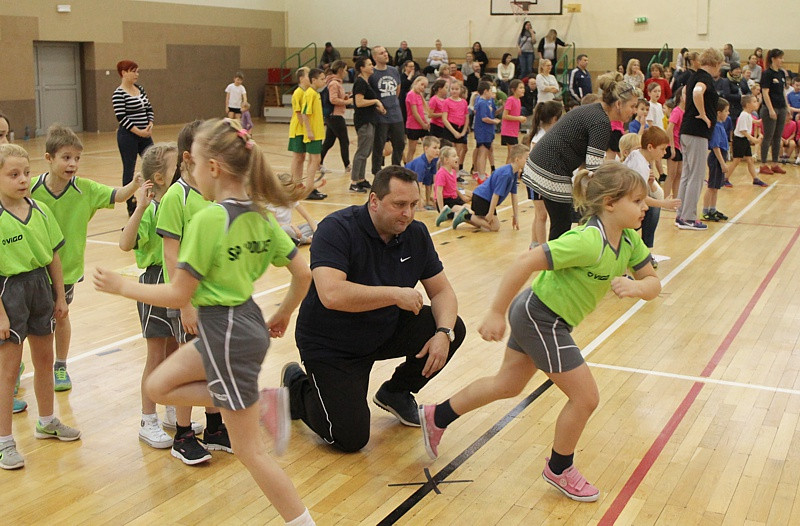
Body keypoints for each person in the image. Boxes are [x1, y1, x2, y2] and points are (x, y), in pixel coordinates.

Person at [93, 119, 316, 526]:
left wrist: (122, 287)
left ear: (212, 167)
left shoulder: (210, 220)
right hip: (241, 325)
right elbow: (303, 275)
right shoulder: (262, 217)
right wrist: (283, 312)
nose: (190, 170)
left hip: (226, 331)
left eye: (192, 163)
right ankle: (259, 402)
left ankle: (302, 521)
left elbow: (179, 293)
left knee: (251, 453)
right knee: (157, 385)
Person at [419, 162, 660, 503]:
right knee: (586, 397)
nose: (645, 207)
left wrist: (637, 288)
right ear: (609, 203)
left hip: (541, 314)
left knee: (508, 384)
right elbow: (524, 261)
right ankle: (560, 468)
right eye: (638, 201)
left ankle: (436, 415)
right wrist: (495, 312)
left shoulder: (631, 241)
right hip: (541, 316)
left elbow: (653, 282)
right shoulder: (587, 241)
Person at [284, 165, 466, 453]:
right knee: (349, 439)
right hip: (332, 345)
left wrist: (444, 332)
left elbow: (442, 291)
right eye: (399, 205)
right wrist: (394, 295)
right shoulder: (336, 229)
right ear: (373, 201)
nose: (408, 213)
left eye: (413, 205)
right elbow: (331, 293)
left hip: (382, 330)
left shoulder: (415, 234)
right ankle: (296, 387)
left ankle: (395, 392)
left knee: (451, 326)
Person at [30, 124, 141, 392]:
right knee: (25, 321)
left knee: (61, 315)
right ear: (49, 158)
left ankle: (60, 365)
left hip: (65, 270)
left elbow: (118, 195)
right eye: (66, 158)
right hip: (32, 269)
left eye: (77, 158)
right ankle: (18, 365)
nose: (73, 164)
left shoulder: (85, 189)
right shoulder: (31, 189)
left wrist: (135, 184)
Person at [0, 143, 81, 471]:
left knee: (45, 360)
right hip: (8, 292)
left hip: (40, 289)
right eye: (13, 174)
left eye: (26, 173)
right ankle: (4, 441)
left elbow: (54, 258)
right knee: (8, 371)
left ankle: (47, 420)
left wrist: (59, 297)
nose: (22, 180)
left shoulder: (40, 210)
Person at [156, 120, 224, 464]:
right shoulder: (176, 196)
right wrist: (184, 305)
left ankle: (213, 426)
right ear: (189, 157)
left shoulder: (215, 193)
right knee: (189, 366)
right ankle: (183, 434)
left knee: (213, 363)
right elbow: (171, 254)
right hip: (191, 301)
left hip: (216, 298)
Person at [523, 72, 638, 240]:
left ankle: (557, 260)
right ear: (619, 104)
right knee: (562, 224)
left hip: (541, 165)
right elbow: (594, 170)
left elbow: (588, 165)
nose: (634, 111)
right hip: (550, 170)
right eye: (633, 106)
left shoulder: (594, 112)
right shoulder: (601, 122)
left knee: (562, 221)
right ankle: (554, 263)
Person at [118, 142, 180, 449]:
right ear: (158, 176)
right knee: (156, 355)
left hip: (177, 280)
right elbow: (125, 244)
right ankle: (147, 420)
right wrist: (139, 206)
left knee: (174, 352)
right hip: (156, 281)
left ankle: (171, 410)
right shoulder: (151, 209)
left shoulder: (180, 201)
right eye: (176, 166)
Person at [675, 48, 723, 231]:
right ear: (716, 63)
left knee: (687, 174)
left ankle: (681, 213)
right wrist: (703, 115)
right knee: (696, 176)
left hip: (687, 131)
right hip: (696, 132)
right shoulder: (704, 78)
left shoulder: (693, 76)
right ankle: (688, 217)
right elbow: (696, 93)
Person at [620, 130, 681, 256]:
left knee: (653, 207)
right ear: (650, 147)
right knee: (653, 209)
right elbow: (638, 197)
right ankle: (644, 252)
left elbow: (656, 194)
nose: (665, 153)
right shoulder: (640, 165)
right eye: (662, 149)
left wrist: (652, 184)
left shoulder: (640, 157)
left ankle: (643, 251)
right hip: (621, 206)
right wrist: (664, 204)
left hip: (625, 201)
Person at [113, 59, 154, 215]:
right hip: (128, 137)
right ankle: (131, 203)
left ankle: (154, 197)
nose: (137, 74)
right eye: (134, 71)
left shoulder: (140, 89)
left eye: (137, 71)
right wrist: (139, 131)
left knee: (153, 163)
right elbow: (122, 117)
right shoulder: (118, 94)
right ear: (124, 73)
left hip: (145, 135)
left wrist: (150, 123)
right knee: (129, 170)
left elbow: (149, 108)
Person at [524, 100, 563, 249]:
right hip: (536, 180)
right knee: (542, 215)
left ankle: (534, 244)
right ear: (554, 119)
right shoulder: (539, 137)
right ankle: (542, 249)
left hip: (541, 180)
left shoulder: (548, 134)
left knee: (539, 213)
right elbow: (534, 159)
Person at [469, 144, 526, 232]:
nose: (528, 161)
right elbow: (496, 194)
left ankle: (463, 215)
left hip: (486, 199)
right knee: (495, 227)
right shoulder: (506, 174)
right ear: (517, 159)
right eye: (526, 158)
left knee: (481, 223)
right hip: (482, 198)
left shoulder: (514, 173)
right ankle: (466, 216)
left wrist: (516, 216)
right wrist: (490, 213)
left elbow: (514, 195)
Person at [369, 46, 406, 177]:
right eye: (381, 53)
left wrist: (392, 103)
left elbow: (398, 89)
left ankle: (396, 169)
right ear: (374, 57)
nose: (385, 55)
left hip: (396, 114)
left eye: (385, 52)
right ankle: (377, 171)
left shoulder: (393, 70)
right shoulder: (371, 73)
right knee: (379, 145)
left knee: (400, 143)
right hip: (381, 116)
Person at [351, 57, 385, 192]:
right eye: (369, 64)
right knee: (362, 151)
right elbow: (359, 102)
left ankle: (361, 179)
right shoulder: (360, 82)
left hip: (370, 119)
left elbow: (366, 102)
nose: (372, 66)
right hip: (363, 121)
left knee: (366, 151)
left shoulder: (366, 82)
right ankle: (354, 181)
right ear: (362, 68)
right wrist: (376, 101)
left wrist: (378, 108)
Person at [757, 49, 788, 176]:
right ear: (773, 59)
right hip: (771, 108)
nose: (782, 60)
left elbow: (783, 92)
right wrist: (770, 109)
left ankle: (775, 163)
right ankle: (763, 164)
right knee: (768, 136)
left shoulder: (781, 73)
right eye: (780, 58)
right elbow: (765, 92)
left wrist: (787, 107)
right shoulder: (767, 73)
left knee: (777, 137)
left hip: (781, 108)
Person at [433, 146, 478, 230]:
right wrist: (442, 209)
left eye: (456, 155)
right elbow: (438, 192)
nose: (457, 157)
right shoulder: (442, 173)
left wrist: (462, 197)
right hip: (447, 202)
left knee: (471, 210)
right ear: (446, 160)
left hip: (455, 199)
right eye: (454, 156)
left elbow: (454, 187)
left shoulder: (453, 172)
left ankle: (453, 216)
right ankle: (447, 215)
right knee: (467, 212)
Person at [268, 172, 318, 245]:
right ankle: (307, 240)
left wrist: (316, 232)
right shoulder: (271, 203)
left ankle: (296, 240)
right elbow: (273, 224)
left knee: (316, 223)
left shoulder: (291, 200)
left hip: (293, 230)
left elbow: (308, 217)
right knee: (285, 229)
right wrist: (291, 225)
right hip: (280, 230)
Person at [298, 69, 327, 196]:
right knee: (315, 160)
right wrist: (309, 131)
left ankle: (310, 188)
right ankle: (309, 189)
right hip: (313, 133)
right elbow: (305, 113)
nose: (324, 81)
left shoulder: (315, 93)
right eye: (322, 79)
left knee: (314, 159)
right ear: (314, 80)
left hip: (317, 132)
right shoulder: (310, 94)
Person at [320, 60, 352, 175]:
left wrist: (345, 96)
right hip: (335, 116)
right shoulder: (334, 83)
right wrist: (347, 101)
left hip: (333, 116)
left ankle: (319, 163)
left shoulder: (336, 83)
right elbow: (332, 99)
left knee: (329, 141)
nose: (346, 72)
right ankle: (347, 165)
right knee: (344, 141)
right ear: (340, 70)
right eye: (345, 69)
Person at [701, 99, 731, 222]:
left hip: (721, 156)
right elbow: (715, 146)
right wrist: (722, 163)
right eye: (726, 111)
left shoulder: (720, 125)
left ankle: (712, 209)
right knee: (711, 185)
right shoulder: (715, 127)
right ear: (718, 112)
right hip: (716, 157)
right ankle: (705, 210)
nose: (728, 113)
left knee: (716, 186)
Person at [728, 95, 766, 185]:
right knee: (736, 161)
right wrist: (753, 139)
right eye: (754, 101)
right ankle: (725, 178)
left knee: (750, 160)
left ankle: (755, 179)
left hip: (744, 140)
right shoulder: (744, 115)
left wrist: (759, 121)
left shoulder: (748, 114)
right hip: (739, 140)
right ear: (748, 105)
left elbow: (753, 121)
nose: (756, 103)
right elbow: (743, 131)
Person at [473, 81, 501, 182]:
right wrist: (495, 121)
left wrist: (503, 107)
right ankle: (481, 175)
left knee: (485, 152)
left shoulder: (489, 101)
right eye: (490, 91)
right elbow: (484, 118)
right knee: (482, 153)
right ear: (485, 91)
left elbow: (493, 112)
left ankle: (482, 173)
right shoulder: (481, 102)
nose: (491, 93)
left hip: (488, 132)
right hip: (482, 132)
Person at [406, 135, 439, 210]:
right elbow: (419, 185)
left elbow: (432, 182)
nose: (438, 150)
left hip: (418, 177)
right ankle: (417, 203)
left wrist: (435, 198)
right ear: (426, 149)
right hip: (407, 180)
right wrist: (419, 204)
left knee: (429, 181)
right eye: (435, 148)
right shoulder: (420, 163)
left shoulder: (434, 160)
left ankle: (427, 201)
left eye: (438, 148)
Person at [442, 81, 469, 171]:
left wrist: (463, 132)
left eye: (456, 89)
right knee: (450, 152)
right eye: (452, 89)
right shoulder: (446, 102)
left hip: (460, 128)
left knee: (457, 154)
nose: (454, 91)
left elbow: (466, 117)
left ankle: (456, 174)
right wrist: (454, 132)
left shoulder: (464, 102)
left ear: (461, 90)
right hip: (450, 128)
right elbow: (444, 119)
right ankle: (446, 172)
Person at [665, 87, 686, 199]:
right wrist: (672, 147)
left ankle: (676, 199)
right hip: (674, 145)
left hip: (681, 146)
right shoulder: (677, 111)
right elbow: (670, 129)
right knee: (671, 174)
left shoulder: (686, 112)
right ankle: (666, 199)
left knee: (679, 174)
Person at [404, 76, 430, 164]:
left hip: (422, 125)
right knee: (412, 149)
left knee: (428, 146)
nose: (423, 87)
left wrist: (426, 122)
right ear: (416, 82)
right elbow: (415, 113)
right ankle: (408, 167)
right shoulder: (411, 94)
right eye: (422, 84)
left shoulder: (419, 95)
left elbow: (423, 110)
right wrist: (423, 124)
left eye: (425, 86)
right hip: (413, 126)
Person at [501, 80, 526, 162]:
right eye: (520, 88)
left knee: (512, 153)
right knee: (512, 154)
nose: (523, 90)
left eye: (523, 88)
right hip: (508, 130)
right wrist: (518, 118)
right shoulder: (510, 100)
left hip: (514, 131)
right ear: (513, 89)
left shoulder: (518, 100)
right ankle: (507, 173)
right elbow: (505, 115)